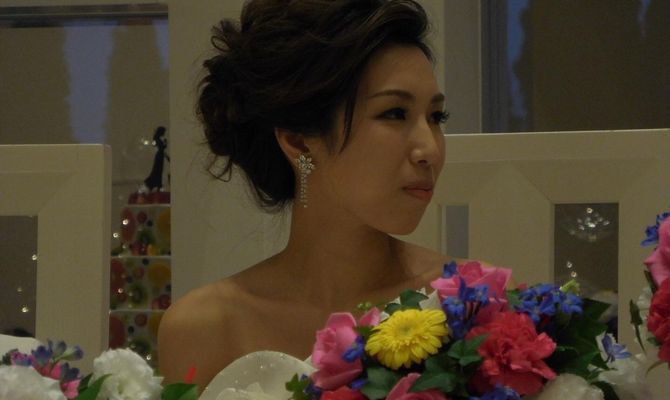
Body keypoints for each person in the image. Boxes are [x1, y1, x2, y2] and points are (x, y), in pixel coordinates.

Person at [158, 0, 456, 391]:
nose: (430, 149)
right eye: (394, 113)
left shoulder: (467, 302)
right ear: (298, 141)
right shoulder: (203, 328)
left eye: (435, 117)